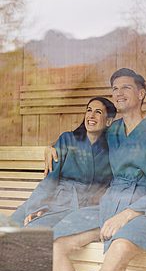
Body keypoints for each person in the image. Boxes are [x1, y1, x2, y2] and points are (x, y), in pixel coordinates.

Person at [44, 68, 146, 271]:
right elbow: (81, 137)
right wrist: (52, 145)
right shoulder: (113, 130)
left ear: (141, 94)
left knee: (119, 247)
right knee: (55, 244)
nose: (119, 92)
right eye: (115, 89)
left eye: (126, 87)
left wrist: (127, 215)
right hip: (109, 208)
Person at [11, 97, 116, 236]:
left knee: (30, 233)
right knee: (9, 227)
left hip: (75, 207)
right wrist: (37, 207)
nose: (91, 115)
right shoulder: (67, 139)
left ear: (108, 121)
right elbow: (50, 179)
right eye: (89, 110)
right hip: (51, 197)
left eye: (98, 112)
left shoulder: (112, 149)